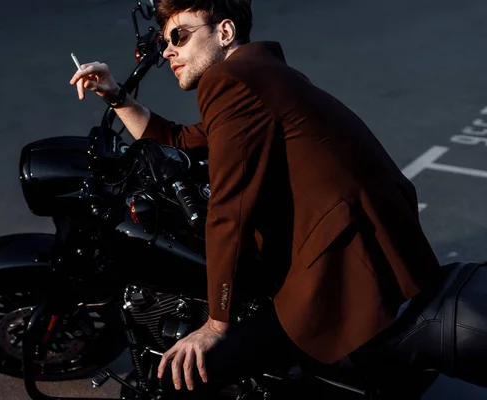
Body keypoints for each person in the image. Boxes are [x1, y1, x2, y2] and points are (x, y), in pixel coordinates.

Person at [69, 0, 443, 397]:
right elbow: (183, 141)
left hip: (343, 266)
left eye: (179, 35)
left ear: (225, 32)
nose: (167, 51)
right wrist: (115, 95)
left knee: (178, 380)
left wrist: (216, 322)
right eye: (164, 42)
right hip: (370, 240)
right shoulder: (258, 73)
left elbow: (229, 212)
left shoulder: (231, 81)